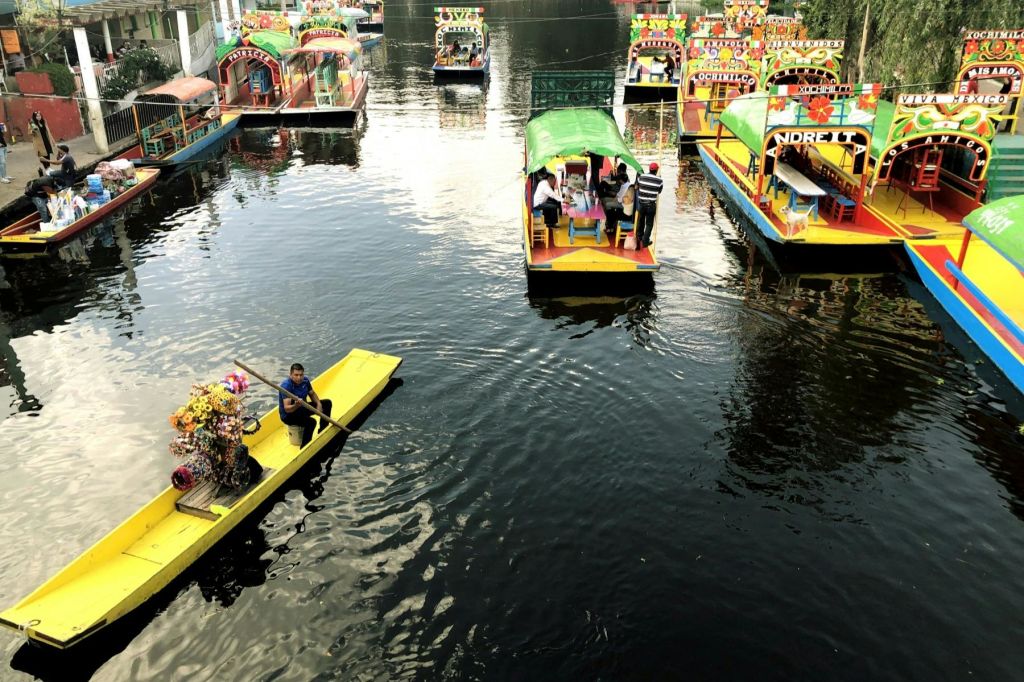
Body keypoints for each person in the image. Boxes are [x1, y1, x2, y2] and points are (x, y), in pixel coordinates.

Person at [279, 363, 333, 447]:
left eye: (301, 375)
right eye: (296, 375)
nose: (299, 378)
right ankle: (304, 446)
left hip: (302, 408)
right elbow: (287, 409)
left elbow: (312, 394)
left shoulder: (305, 381)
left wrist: (318, 404)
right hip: (289, 415)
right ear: (290, 375)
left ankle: (323, 430)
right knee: (311, 422)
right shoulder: (287, 386)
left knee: (327, 403)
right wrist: (296, 405)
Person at [634, 162, 663, 249]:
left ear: (649, 169)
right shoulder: (659, 180)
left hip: (641, 204)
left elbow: (637, 186)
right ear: (657, 170)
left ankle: (639, 237)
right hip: (651, 205)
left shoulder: (642, 177)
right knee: (649, 224)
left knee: (641, 221)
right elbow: (659, 191)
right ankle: (645, 241)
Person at [29, 112, 56, 178]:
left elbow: (48, 131)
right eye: (37, 116)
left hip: (46, 140)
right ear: (34, 117)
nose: (39, 117)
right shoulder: (32, 123)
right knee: (42, 155)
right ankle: (46, 169)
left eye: (39, 115)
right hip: (39, 143)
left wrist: (52, 140)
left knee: (48, 153)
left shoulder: (44, 121)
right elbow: (30, 132)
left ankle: (49, 167)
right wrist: (33, 131)